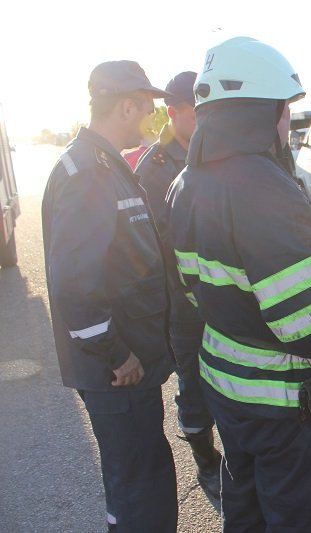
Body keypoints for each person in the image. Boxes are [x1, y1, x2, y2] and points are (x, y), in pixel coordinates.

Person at [164, 36, 311, 532]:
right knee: (299, 518)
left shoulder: (185, 183)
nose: (288, 123)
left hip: (226, 386)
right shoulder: (261, 186)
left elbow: (194, 292)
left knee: (246, 508)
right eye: (284, 110)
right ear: (259, 111)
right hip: (282, 403)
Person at [41, 60, 177, 532]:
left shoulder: (105, 164)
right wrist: (116, 353)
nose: (150, 120)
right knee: (137, 483)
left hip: (128, 362)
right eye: (147, 109)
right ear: (126, 105)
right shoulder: (89, 173)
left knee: (145, 473)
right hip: (118, 370)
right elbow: (74, 282)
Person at [135, 71, 222, 508]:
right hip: (185, 306)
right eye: (197, 112)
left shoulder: (217, 155)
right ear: (173, 113)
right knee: (194, 385)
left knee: (232, 377)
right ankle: (207, 463)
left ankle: (237, 456)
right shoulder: (154, 169)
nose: (207, 120)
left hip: (224, 299)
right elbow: (162, 244)